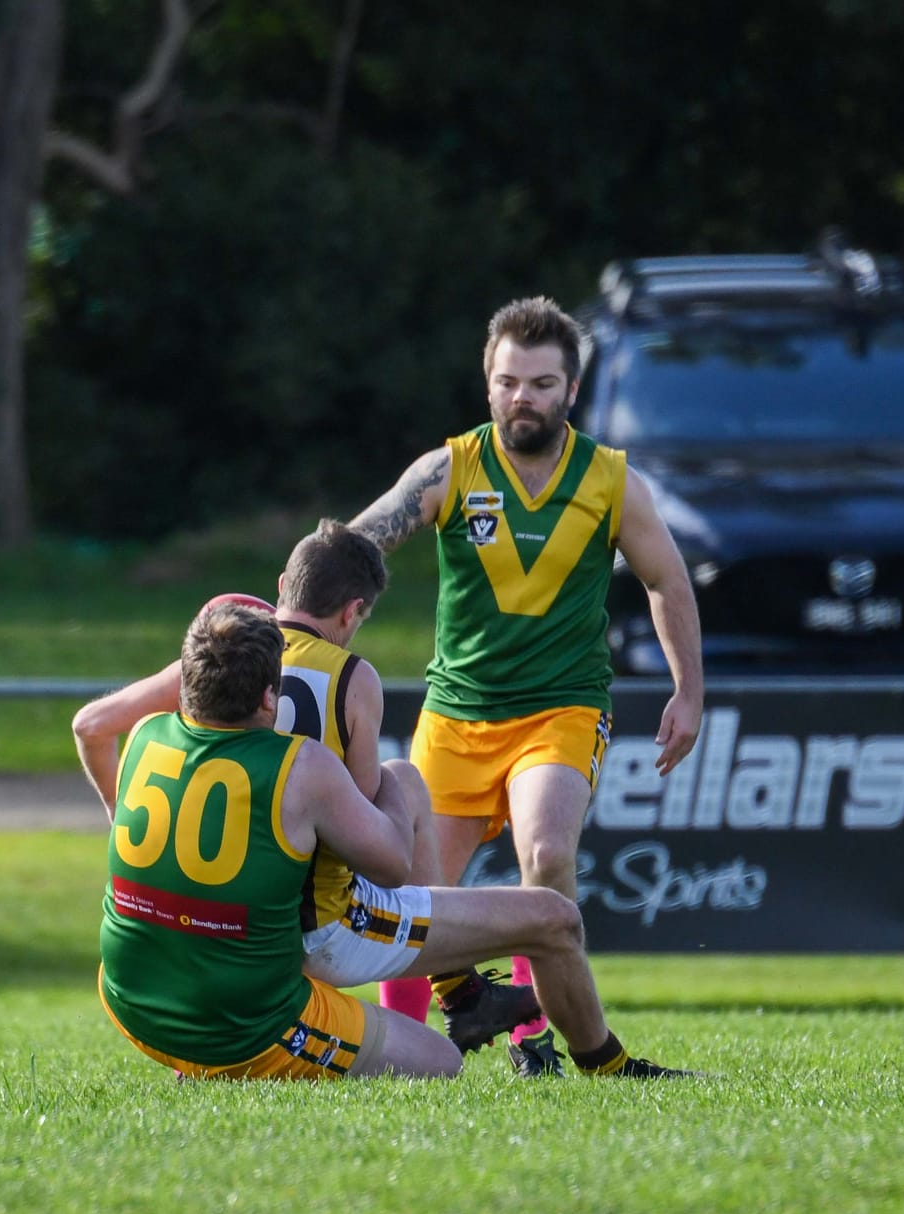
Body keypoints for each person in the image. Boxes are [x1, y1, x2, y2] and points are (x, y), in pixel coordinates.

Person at [97, 600, 687, 1079]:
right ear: (268, 698)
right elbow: (391, 864)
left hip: (129, 999)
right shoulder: (299, 764)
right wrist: (392, 781)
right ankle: (606, 1066)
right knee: (450, 1048)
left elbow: (93, 730)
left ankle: (462, 996)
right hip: (239, 1023)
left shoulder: (145, 736)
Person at [349, 295, 704, 1076]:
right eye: (509, 382)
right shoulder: (449, 469)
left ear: (571, 390)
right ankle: (415, 1050)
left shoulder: (610, 481)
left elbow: (667, 580)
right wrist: (294, 614)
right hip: (456, 714)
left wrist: (689, 690)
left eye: (542, 384)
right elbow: (359, 543)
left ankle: (532, 1040)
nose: (523, 398)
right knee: (412, 893)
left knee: (544, 854)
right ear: (488, 386)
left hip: (559, 711)